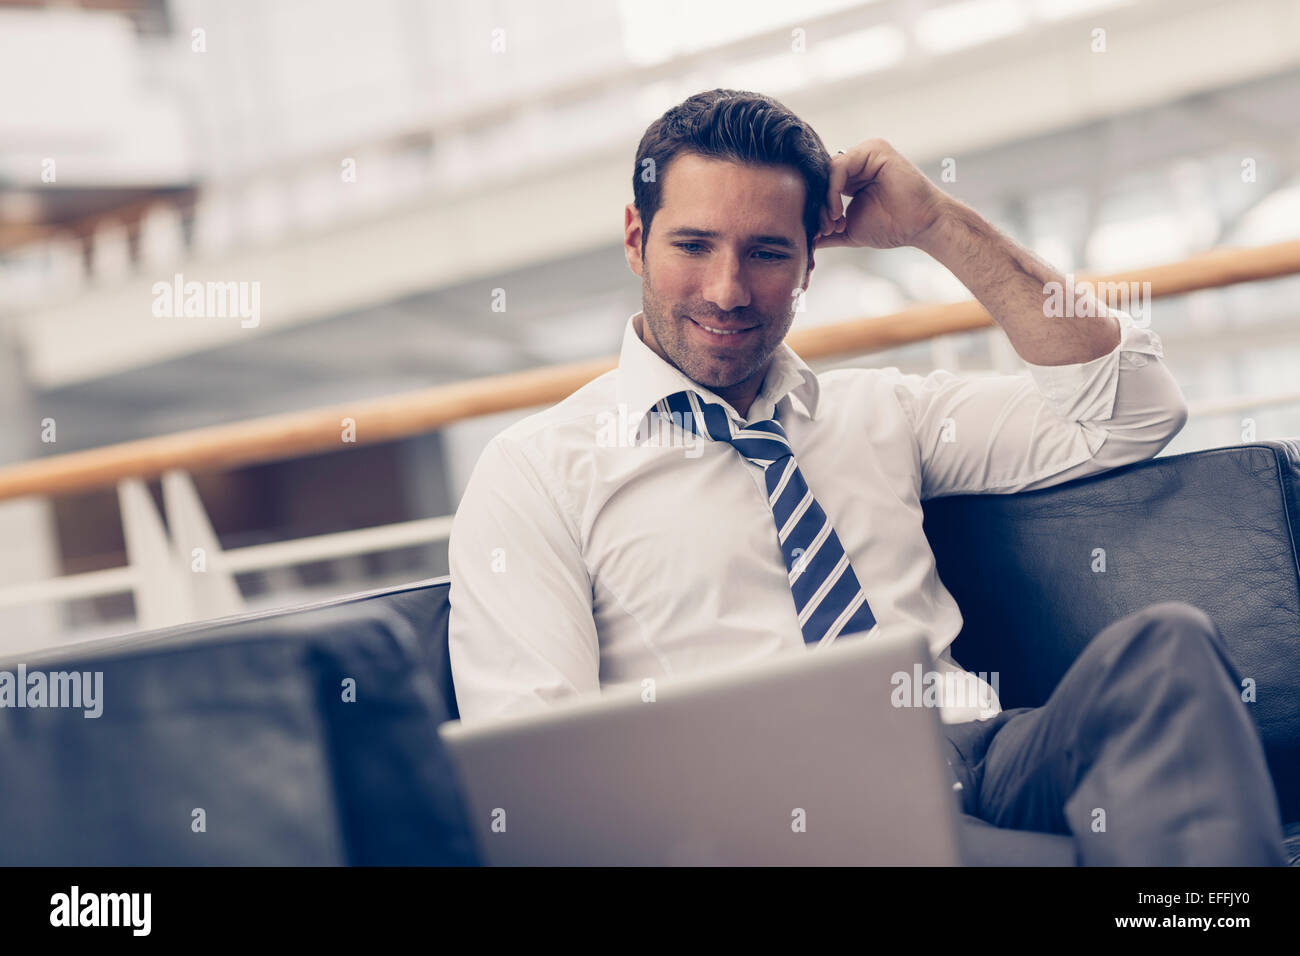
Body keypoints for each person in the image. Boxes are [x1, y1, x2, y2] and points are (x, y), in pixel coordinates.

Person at [447, 88, 1287, 865]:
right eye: (693, 245)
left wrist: (938, 225)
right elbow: (538, 777)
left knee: (1164, 647)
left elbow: (1132, 407)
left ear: (812, 261)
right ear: (636, 237)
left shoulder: (879, 411)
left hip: (984, 757)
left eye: (769, 251)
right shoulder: (538, 473)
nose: (729, 289)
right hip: (786, 820)